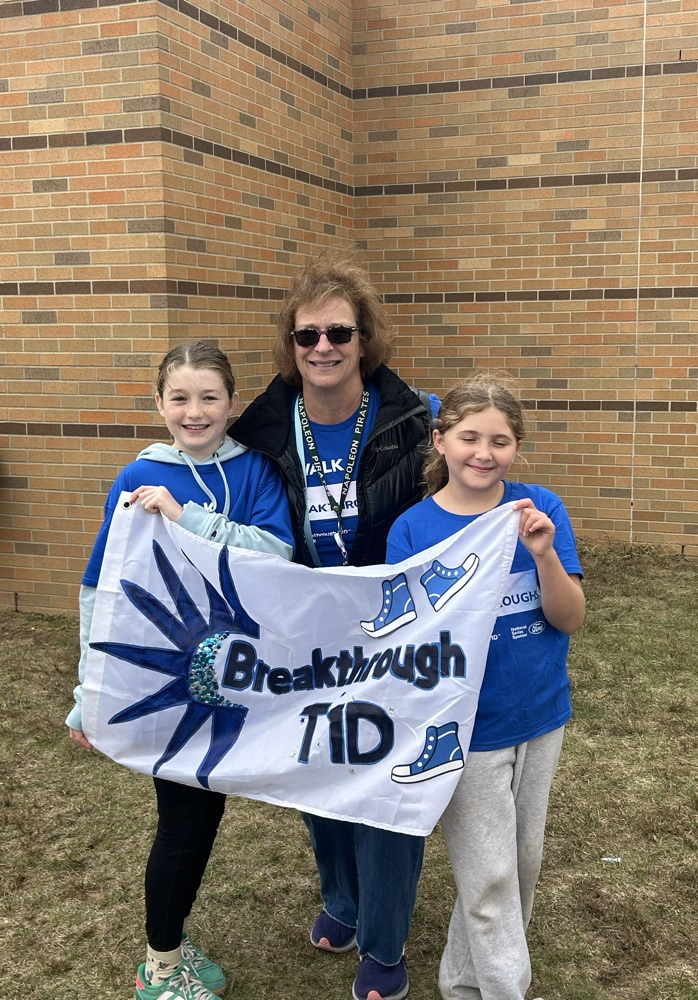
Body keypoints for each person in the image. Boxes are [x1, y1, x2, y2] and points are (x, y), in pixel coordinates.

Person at [229, 247, 438, 1000]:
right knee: (319, 773)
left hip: (396, 637)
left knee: (385, 783)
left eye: (338, 334)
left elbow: (463, 498)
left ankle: (383, 941)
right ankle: (343, 902)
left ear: (364, 340)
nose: (322, 348)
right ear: (290, 344)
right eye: (306, 335)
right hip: (302, 640)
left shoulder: (415, 425)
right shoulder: (258, 431)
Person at [67, 341, 295, 1000]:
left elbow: (275, 552)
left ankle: (170, 941)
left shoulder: (254, 470)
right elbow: (101, 588)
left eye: (209, 398)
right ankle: (161, 963)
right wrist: (89, 695)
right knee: (185, 817)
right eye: (179, 398)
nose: (194, 413)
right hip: (169, 679)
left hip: (240, 672)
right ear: (158, 404)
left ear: (231, 402)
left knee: (207, 810)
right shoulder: (134, 476)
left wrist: (186, 516)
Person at [386, 370, 586, 1000]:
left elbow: (569, 617)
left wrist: (545, 555)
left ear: (516, 449)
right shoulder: (412, 531)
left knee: (518, 864)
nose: (484, 453)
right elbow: (403, 641)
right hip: (462, 731)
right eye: (470, 437)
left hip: (540, 714)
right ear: (440, 441)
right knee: (491, 874)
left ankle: (464, 982)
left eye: (500, 441)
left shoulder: (539, 509)